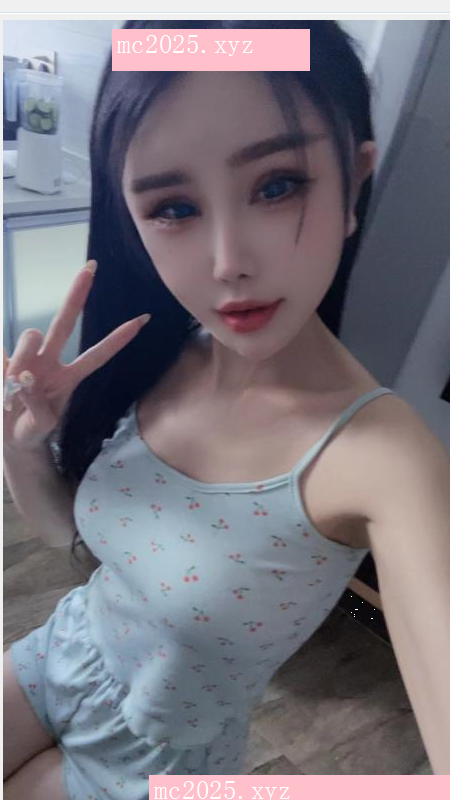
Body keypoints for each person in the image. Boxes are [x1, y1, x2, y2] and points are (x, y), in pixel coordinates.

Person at [3, 19, 450, 800]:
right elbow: (61, 534)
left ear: (354, 183)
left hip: (155, 763)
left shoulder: (382, 458)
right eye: (174, 206)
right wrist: (23, 443)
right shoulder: (160, 354)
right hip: (60, 656)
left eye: (276, 186)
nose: (227, 262)